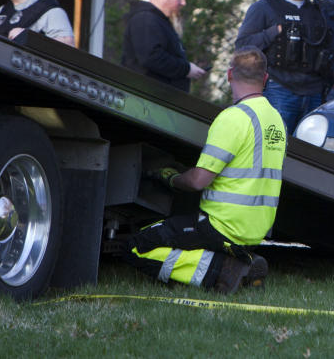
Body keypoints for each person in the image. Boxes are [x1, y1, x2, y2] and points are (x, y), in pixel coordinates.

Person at [123, 47, 286, 293]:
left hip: (222, 226)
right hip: (256, 228)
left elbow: (198, 181)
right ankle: (241, 260)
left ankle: (221, 269)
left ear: (230, 75)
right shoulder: (277, 121)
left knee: (137, 246)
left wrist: (172, 178)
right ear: (265, 79)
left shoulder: (233, 118)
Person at [235, 0, 334, 133]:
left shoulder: (317, 10)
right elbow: (242, 46)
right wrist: (274, 32)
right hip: (280, 89)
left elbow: (327, 47)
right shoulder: (265, 7)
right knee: (276, 145)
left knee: (311, 151)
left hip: (314, 91)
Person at [122, 0, 206, 92]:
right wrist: (186, 69)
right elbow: (152, 58)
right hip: (147, 100)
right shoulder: (145, 20)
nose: (184, 3)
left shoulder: (159, 21)